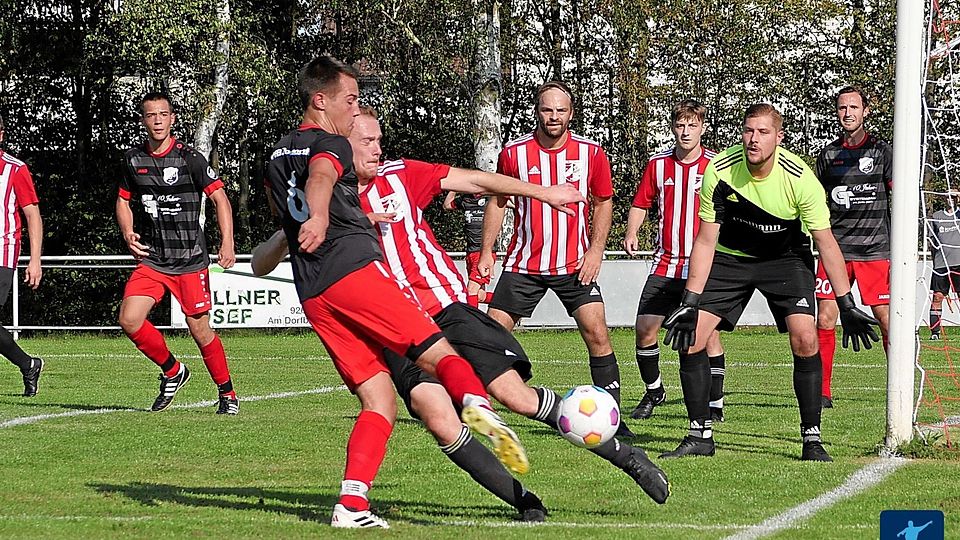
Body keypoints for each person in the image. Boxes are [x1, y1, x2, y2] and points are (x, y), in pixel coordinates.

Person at [252, 106, 669, 507]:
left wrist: (542, 193)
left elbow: (475, 181)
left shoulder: (400, 176)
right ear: (342, 145)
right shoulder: (321, 198)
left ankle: (629, 459)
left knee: (517, 398)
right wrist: (296, 229)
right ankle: (525, 504)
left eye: (380, 139)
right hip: (392, 331)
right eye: (367, 141)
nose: (378, 148)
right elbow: (261, 262)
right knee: (438, 418)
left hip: (443, 311)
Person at [263, 56, 531, 529]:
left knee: (379, 399)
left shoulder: (276, 156)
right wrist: (324, 215)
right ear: (319, 100)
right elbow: (323, 176)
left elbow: (283, 230)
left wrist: (317, 219)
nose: (356, 108)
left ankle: (351, 505)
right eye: (351, 99)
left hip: (313, 292)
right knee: (437, 351)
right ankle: (476, 405)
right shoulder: (331, 143)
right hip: (351, 272)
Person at [660, 103, 879, 462]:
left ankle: (812, 438)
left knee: (806, 339)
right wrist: (690, 300)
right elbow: (705, 240)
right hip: (731, 259)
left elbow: (825, 242)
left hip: (786, 260)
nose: (753, 139)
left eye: (763, 132)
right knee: (691, 340)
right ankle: (699, 435)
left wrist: (846, 303)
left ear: (779, 137)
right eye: (748, 131)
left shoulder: (800, 178)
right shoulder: (719, 171)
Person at [479, 81, 633, 438]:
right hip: (523, 265)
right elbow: (498, 201)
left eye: (560, 110)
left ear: (571, 113)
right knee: (487, 337)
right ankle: (471, 410)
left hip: (574, 264)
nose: (554, 116)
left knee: (597, 333)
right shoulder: (514, 153)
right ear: (537, 110)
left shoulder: (591, 153)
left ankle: (614, 419)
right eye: (547, 109)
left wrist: (596, 251)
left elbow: (603, 201)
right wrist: (487, 250)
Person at [116, 92, 238, 415]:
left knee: (199, 329)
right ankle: (173, 370)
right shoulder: (133, 160)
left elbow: (220, 199)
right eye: (151, 115)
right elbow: (122, 201)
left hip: (188, 259)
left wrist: (227, 242)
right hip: (154, 260)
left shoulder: (190, 159)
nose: (157, 120)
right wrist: (128, 232)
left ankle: (228, 394)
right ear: (143, 121)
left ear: (172, 119)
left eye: (163, 114)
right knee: (129, 319)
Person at [623, 99, 727, 422]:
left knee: (705, 335)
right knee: (644, 329)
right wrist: (631, 231)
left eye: (692, 125)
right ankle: (654, 390)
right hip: (666, 263)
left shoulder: (716, 166)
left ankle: (715, 402)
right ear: (673, 127)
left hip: (703, 265)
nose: (685, 131)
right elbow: (641, 202)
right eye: (680, 125)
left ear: (702, 128)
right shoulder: (658, 165)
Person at [814, 86, 893, 409]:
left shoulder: (883, 152)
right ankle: (822, 391)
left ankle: (897, 386)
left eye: (853, 107)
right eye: (842, 108)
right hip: (835, 250)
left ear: (865, 111)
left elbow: (898, 196)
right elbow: (814, 200)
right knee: (825, 317)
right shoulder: (828, 155)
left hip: (876, 250)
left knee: (886, 318)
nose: (848, 113)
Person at [0, 113, 44, 396]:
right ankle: (28, 364)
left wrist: (35, 259)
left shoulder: (15, 169)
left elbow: (32, 215)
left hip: (2, 252)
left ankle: (28, 364)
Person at [442, 191, 494, 307]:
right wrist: (453, 189)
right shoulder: (466, 199)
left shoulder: (490, 199)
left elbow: (511, 202)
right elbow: (447, 205)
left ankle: (473, 324)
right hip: (471, 251)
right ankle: (512, 303)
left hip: (484, 253)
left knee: (471, 290)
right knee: (479, 295)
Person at [925, 192, 960, 340]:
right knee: (937, 297)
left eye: (954, 196)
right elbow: (932, 241)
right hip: (941, 264)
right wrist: (935, 260)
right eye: (948, 196)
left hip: (959, 263)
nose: (950, 199)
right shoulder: (936, 216)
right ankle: (935, 333)